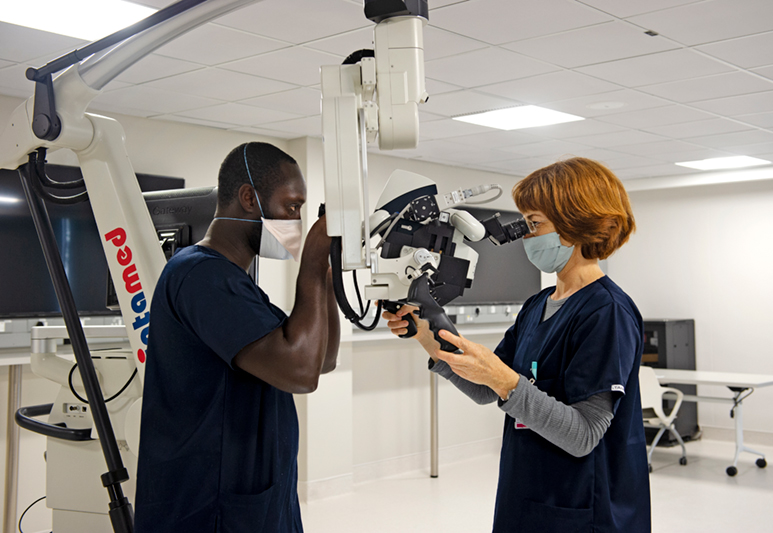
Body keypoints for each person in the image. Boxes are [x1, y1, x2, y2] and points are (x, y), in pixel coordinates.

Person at [384, 157, 650, 532]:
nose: (525, 235)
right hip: (528, 495)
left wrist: (506, 381)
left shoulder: (606, 311)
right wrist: (424, 333)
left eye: (535, 223)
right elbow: (484, 388)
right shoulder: (538, 305)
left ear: (575, 224)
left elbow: (583, 435)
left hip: (582, 509)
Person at [134, 142, 340, 533]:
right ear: (249, 198)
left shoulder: (235, 283)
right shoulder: (199, 275)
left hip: (256, 498)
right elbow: (301, 373)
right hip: (210, 508)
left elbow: (321, 359)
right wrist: (310, 264)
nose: (296, 222)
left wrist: (328, 276)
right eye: (292, 207)